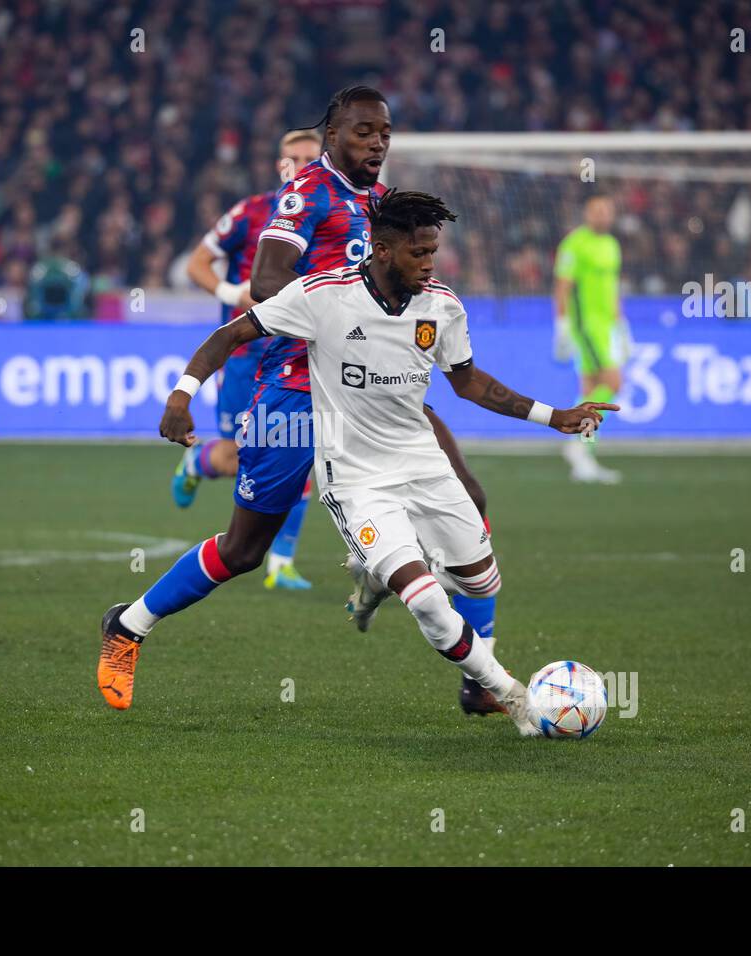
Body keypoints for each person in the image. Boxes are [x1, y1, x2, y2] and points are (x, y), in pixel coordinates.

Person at [149, 190, 618, 733]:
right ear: (382, 249)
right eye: (418, 253)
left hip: (423, 465)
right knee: (425, 601)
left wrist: (553, 415)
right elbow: (231, 334)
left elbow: (468, 383)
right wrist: (181, 395)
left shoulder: (441, 306)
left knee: (480, 585)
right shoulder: (323, 294)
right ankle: (510, 695)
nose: (429, 263)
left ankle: (377, 574)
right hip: (355, 478)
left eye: (433, 252)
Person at [173, 129, 323, 590]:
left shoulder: (334, 211)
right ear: (280, 164)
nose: (300, 164)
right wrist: (230, 292)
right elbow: (197, 262)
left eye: (309, 157)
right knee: (241, 456)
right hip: (245, 354)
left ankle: (280, 563)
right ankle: (198, 464)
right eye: (293, 157)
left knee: (304, 455)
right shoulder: (252, 212)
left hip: (301, 355)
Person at [553, 192, 627, 484]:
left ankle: (583, 454)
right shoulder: (575, 244)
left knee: (590, 390)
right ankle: (576, 445)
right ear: (587, 213)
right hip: (586, 326)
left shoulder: (611, 244)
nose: (602, 215)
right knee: (613, 383)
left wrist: (620, 325)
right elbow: (562, 286)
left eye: (607, 210)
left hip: (605, 326)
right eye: (597, 210)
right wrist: (562, 324)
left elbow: (612, 288)